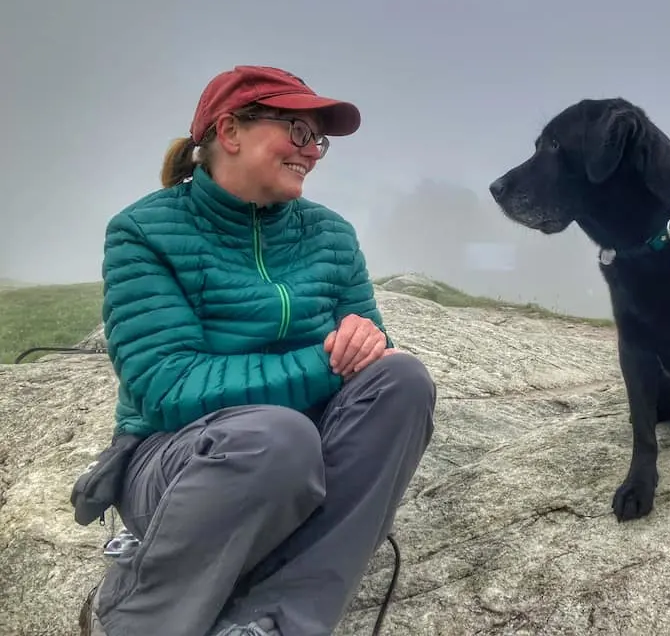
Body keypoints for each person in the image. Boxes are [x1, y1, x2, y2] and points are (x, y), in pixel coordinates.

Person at [76, 65, 437, 636]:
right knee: (277, 438)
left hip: (308, 457)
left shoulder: (331, 235)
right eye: (297, 130)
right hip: (182, 460)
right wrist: (323, 364)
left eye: (317, 138)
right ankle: (138, 616)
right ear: (229, 130)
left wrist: (371, 346)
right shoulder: (144, 232)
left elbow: (367, 354)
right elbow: (168, 387)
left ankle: (271, 622)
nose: (313, 151)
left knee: (403, 383)